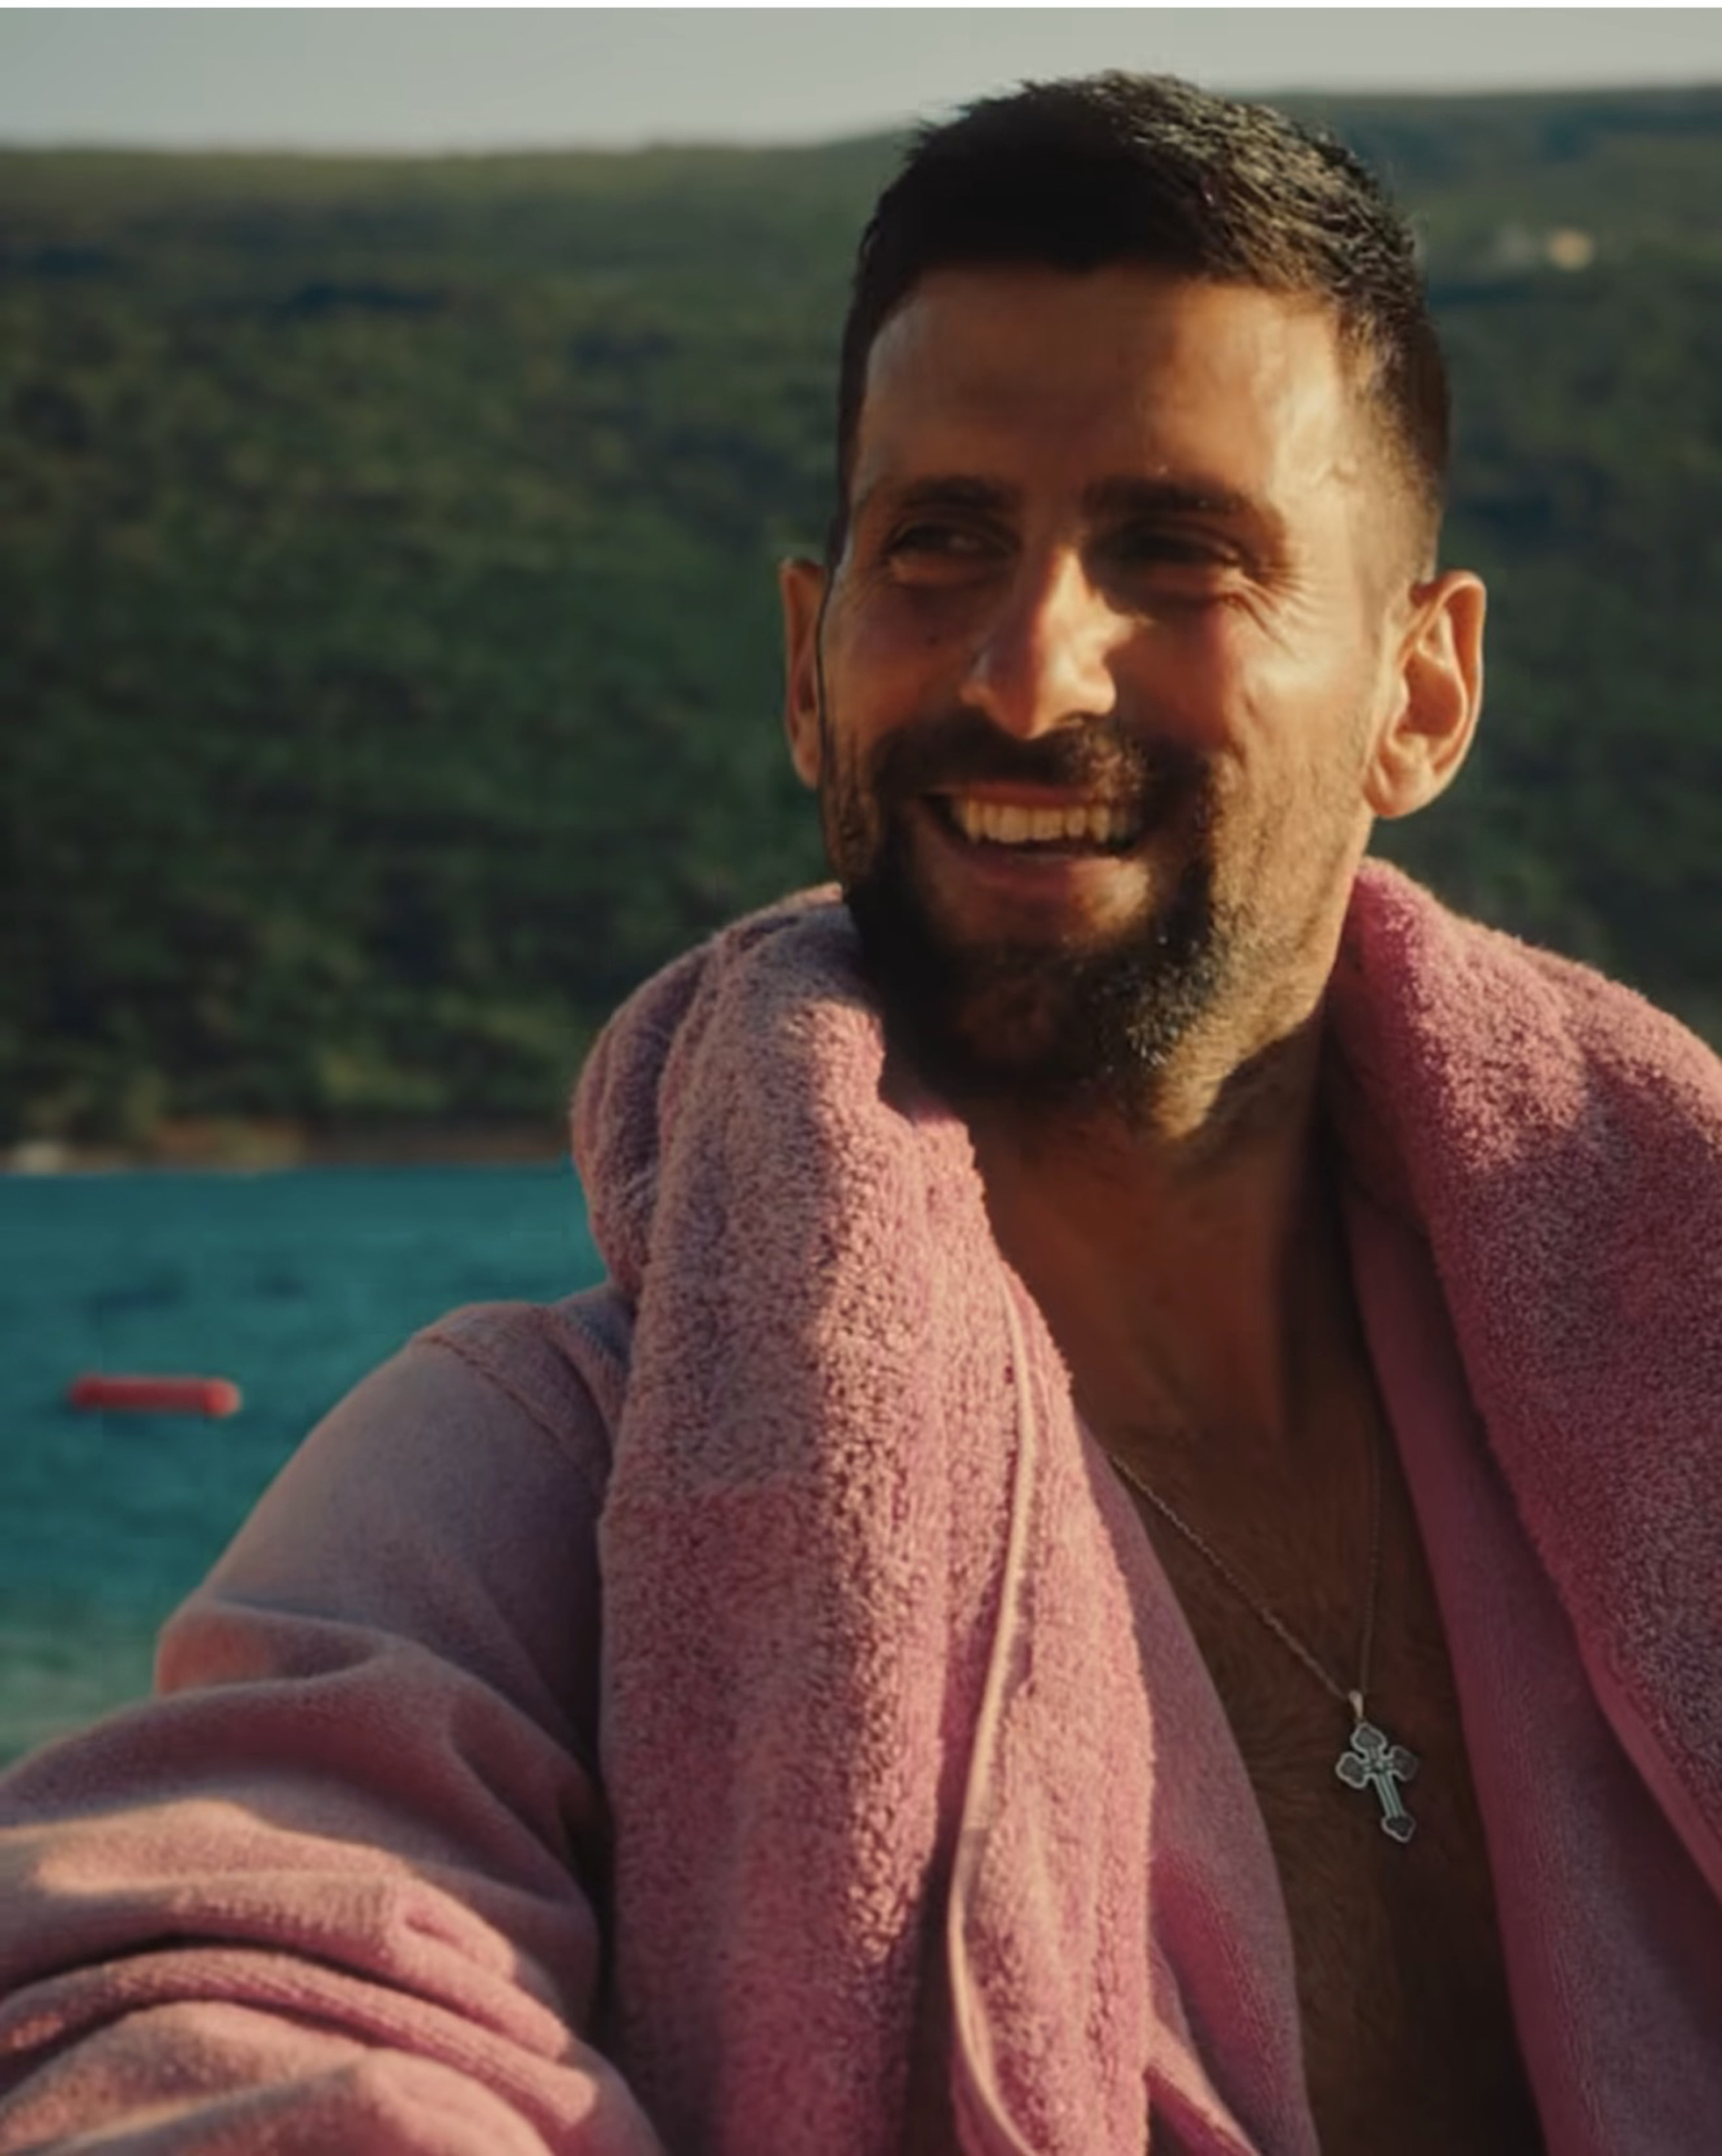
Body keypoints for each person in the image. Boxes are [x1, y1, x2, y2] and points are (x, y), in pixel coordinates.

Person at [2, 71, 1719, 2156]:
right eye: (941, 543)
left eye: (1175, 552)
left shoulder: (1661, 1397)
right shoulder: (544, 1482)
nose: (1026, 673)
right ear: (808, 665)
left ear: (1417, 695)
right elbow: (208, 1974)